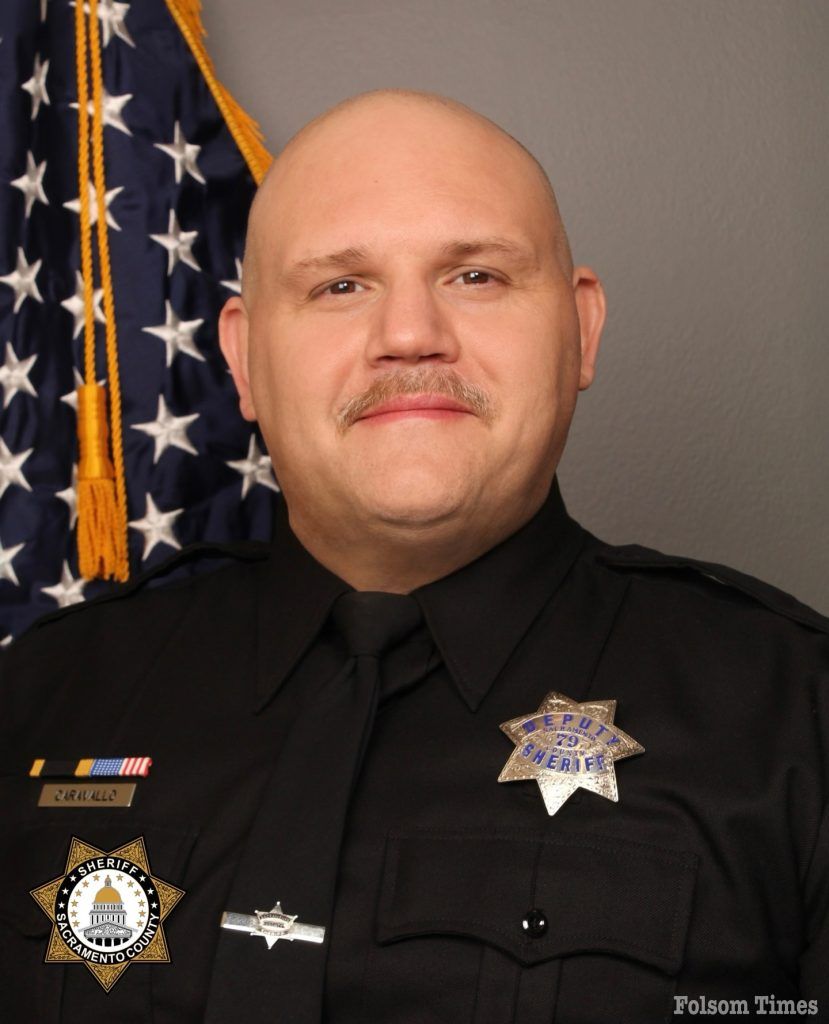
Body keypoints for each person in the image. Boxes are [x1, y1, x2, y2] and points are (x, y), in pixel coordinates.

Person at [1, 89, 827, 1024]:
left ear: (582, 330)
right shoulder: (42, 697)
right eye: (339, 286)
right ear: (243, 357)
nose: (408, 336)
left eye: (475, 275)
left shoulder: (795, 719)